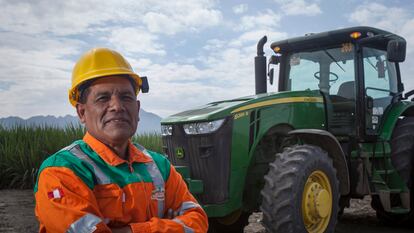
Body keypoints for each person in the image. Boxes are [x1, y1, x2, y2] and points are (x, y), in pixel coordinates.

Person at [34, 48, 208, 233]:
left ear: (137, 108)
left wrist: (128, 230)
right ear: (82, 112)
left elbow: (198, 221)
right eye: (103, 98)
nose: (117, 106)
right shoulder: (61, 171)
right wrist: (169, 225)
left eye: (126, 97)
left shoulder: (160, 166)